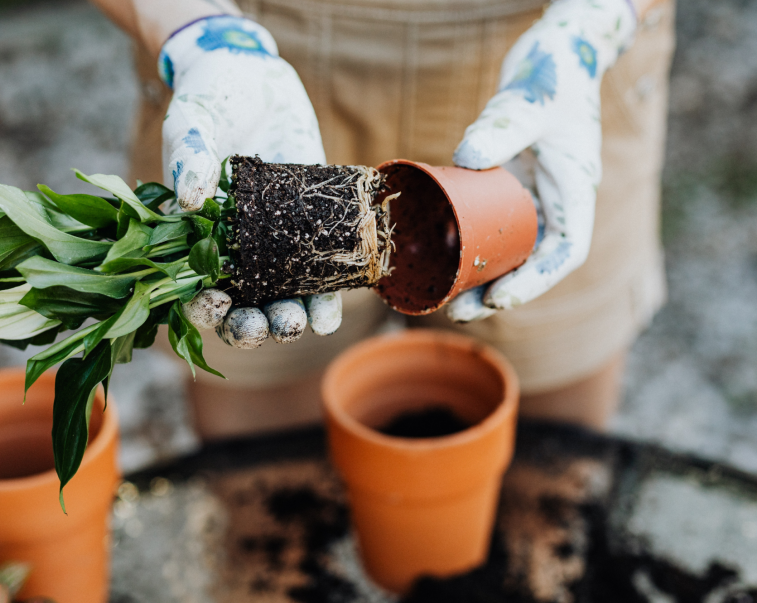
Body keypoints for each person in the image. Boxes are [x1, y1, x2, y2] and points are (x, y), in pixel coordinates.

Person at [91, 0, 674, 435]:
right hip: (256, 56)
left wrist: (595, 24)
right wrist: (194, 32)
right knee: (267, 494)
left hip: (545, 63)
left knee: (546, 485)